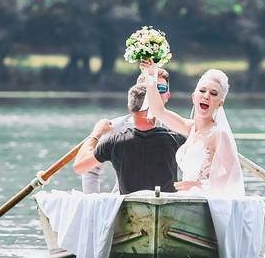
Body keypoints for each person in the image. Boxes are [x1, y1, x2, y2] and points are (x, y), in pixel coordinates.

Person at [139, 61, 245, 196]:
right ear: (194, 97)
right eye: (202, 91)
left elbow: (233, 177)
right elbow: (159, 111)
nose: (206, 96)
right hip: (185, 197)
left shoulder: (219, 134)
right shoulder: (190, 128)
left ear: (220, 104)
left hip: (205, 199)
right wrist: (150, 76)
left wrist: (199, 185)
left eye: (213, 94)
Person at [72, 83, 186, 194]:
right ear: (154, 109)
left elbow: (79, 167)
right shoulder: (175, 139)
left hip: (129, 211)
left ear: (129, 108)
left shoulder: (113, 142)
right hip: (169, 209)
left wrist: (96, 133)